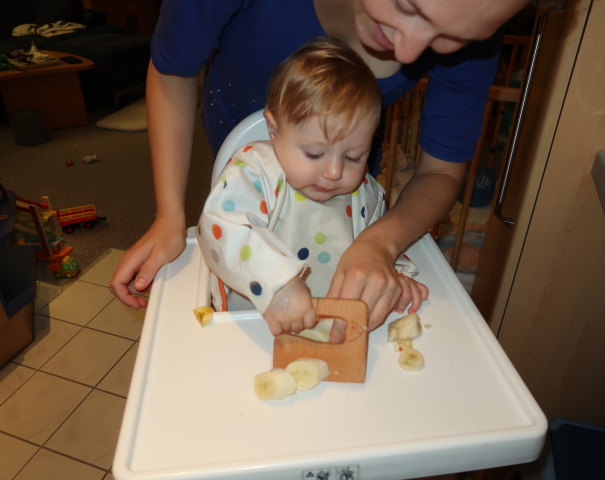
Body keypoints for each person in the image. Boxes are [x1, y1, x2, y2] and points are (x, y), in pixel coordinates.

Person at [111, 0, 530, 330]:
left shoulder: (361, 186)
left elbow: (379, 226)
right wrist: (169, 215)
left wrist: (390, 263)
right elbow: (222, 227)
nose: (409, 53)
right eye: (406, 6)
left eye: (451, 37)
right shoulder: (254, 172)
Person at [196, 37, 427, 340]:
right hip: (252, 326)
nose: (334, 172)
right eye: (315, 154)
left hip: (334, 328)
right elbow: (220, 227)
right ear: (274, 129)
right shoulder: (255, 171)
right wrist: (278, 283)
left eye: (354, 156)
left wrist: (395, 277)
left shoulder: (364, 192)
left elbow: (379, 243)